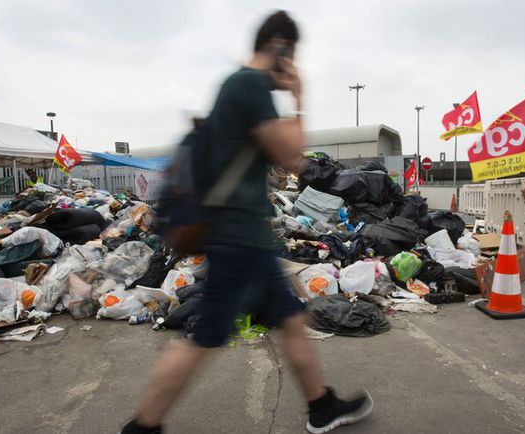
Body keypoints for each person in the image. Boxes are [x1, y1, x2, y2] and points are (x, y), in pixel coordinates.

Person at [120, 11, 373, 434]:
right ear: (280, 47)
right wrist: (299, 98)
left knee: (292, 318)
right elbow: (293, 159)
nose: (292, 66)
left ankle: (321, 406)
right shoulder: (250, 87)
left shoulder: (236, 86)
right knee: (203, 340)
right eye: (292, 56)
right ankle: (142, 426)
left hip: (243, 234)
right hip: (238, 238)